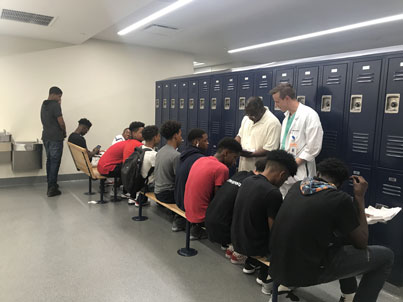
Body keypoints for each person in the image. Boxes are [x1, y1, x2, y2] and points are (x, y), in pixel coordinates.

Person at [269, 158, 394, 302]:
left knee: (344, 238)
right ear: (339, 184)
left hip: (277, 265)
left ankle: (349, 292)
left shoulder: (297, 186)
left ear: (318, 173)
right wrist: (359, 198)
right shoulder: (339, 198)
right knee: (386, 257)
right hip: (303, 273)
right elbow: (362, 242)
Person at [231, 150, 297, 294]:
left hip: (237, 240)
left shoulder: (248, 180)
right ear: (282, 175)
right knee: (291, 239)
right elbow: (274, 231)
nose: (283, 183)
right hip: (254, 247)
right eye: (285, 180)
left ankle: (252, 265)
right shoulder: (273, 193)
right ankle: (268, 278)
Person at [270, 83, 323, 197]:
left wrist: (292, 165)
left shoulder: (309, 115)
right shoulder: (286, 118)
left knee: (299, 205)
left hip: (301, 173)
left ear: (287, 98)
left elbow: (313, 147)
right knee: (284, 202)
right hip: (285, 172)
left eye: (277, 101)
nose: (276, 105)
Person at [184, 137, 242, 240]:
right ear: (226, 153)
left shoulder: (201, 159)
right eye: (234, 158)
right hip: (202, 217)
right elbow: (219, 201)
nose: (234, 163)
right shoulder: (222, 169)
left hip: (188, 210)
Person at [205, 159, 266, 252]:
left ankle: (227, 243)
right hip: (223, 230)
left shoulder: (240, 174)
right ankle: (235, 248)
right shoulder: (255, 184)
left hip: (209, 220)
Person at [173, 128, 209, 231]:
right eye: (205, 140)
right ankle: (196, 229)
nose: (208, 143)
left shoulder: (184, 154)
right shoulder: (199, 159)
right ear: (196, 142)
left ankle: (179, 221)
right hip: (186, 203)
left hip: (178, 199)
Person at [235, 96, 281, 172]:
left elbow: (270, 150)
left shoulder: (273, 123)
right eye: (248, 114)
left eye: (252, 115)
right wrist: (234, 146)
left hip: (259, 171)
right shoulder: (246, 118)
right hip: (243, 168)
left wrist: (250, 154)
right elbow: (239, 136)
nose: (250, 117)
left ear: (261, 110)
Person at [40, 86, 66, 197]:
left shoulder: (44, 104)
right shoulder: (55, 105)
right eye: (59, 96)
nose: (60, 99)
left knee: (49, 161)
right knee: (55, 162)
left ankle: (51, 184)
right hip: (55, 138)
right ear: (54, 94)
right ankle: (52, 188)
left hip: (46, 136)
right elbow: (61, 122)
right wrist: (64, 132)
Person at [129, 125, 160, 207]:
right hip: (148, 186)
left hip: (138, 182)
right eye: (159, 136)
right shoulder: (154, 155)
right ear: (155, 137)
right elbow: (159, 173)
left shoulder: (140, 148)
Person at [154, 120, 182, 203]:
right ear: (175, 136)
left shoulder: (161, 150)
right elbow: (178, 179)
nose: (181, 138)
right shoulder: (176, 155)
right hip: (167, 195)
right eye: (180, 135)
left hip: (157, 191)